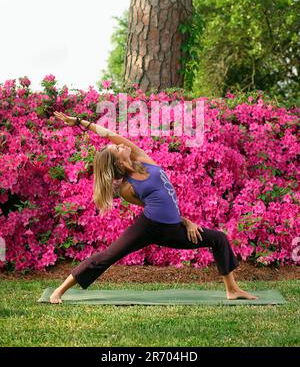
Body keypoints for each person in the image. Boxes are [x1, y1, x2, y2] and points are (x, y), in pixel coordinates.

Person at [49, 111, 258, 303]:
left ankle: (232, 290)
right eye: (118, 148)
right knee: (108, 256)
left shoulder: (141, 158)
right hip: (148, 227)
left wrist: (78, 122)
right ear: (118, 163)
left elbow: (167, 201)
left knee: (218, 238)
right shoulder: (127, 188)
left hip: (172, 229)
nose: (122, 144)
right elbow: (153, 206)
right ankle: (60, 290)